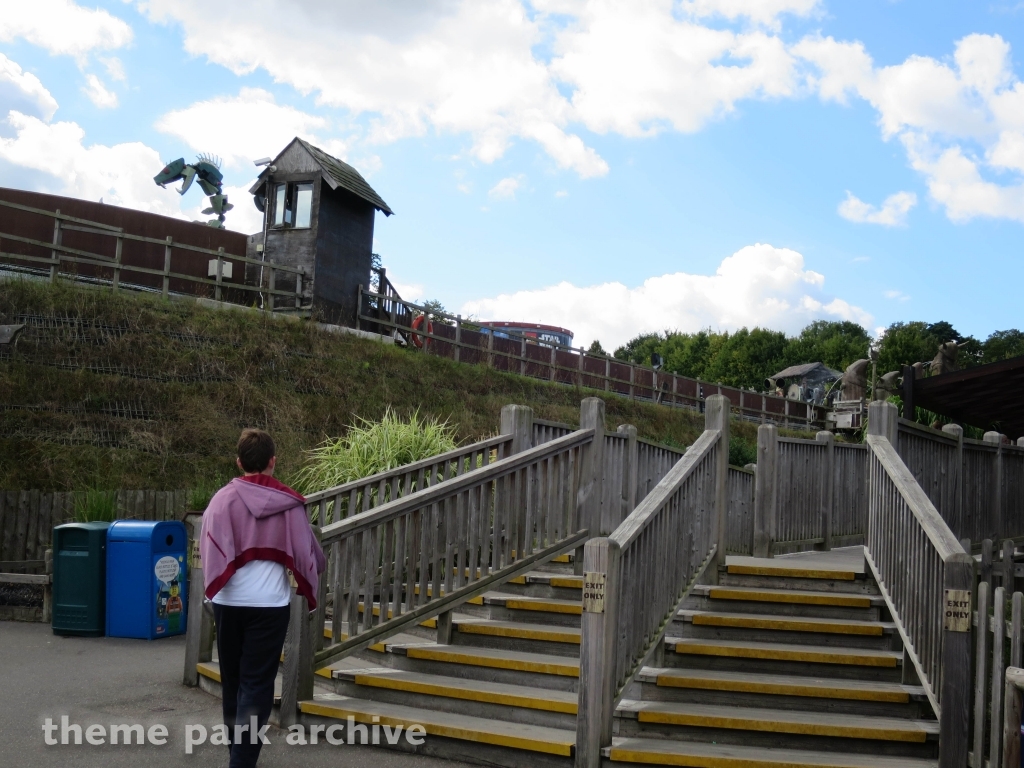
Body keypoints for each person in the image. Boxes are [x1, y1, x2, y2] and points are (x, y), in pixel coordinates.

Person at [200, 429, 326, 768]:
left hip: (228, 601)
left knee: (233, 683)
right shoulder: (290, 504)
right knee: (256, 685)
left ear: (239, 462)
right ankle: (241, 762)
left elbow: (208, 547)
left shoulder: (221, 501)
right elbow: (307, 553)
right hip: (270, 605)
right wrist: (310, 582)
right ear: (273, 461)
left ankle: (237, 757)